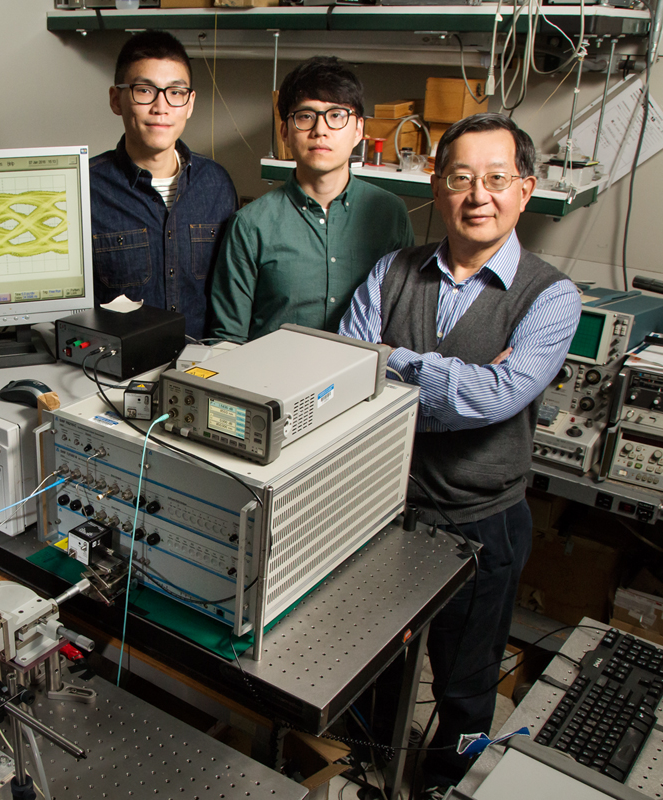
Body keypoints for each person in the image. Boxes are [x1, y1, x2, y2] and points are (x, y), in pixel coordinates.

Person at [337, 113, 581, 794]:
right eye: (461, 178)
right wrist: (452, 379)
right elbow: (346, 369)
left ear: (525, 190)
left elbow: (498, 398)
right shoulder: (392, 270)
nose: (479, 195)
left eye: (497, 179)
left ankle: (449, 780)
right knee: (368, 667)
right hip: (382, 513)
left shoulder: (552, 297)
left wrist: (396, 365)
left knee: (468, 686)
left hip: (483, 523)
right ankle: (365, 768)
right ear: (437, 189)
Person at [0, 31, 237, 341]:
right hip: (109, 374)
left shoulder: (217, 186)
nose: (161, 107)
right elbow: (0, 262)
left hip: (199, 375)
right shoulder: (77, 188)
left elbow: (231, 303)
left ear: (189, 104)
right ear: (116, 100)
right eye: (144, 90)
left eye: (175, 92)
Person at [208, 57, 413, 343]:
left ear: (358, 130)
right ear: (285, 133)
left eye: (337, 115)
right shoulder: (251, 224)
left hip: (361, 380)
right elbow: (227, 338)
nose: (320, 130)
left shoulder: (390, 214)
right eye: (305, 116)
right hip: (271, 382)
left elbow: (403, 317)